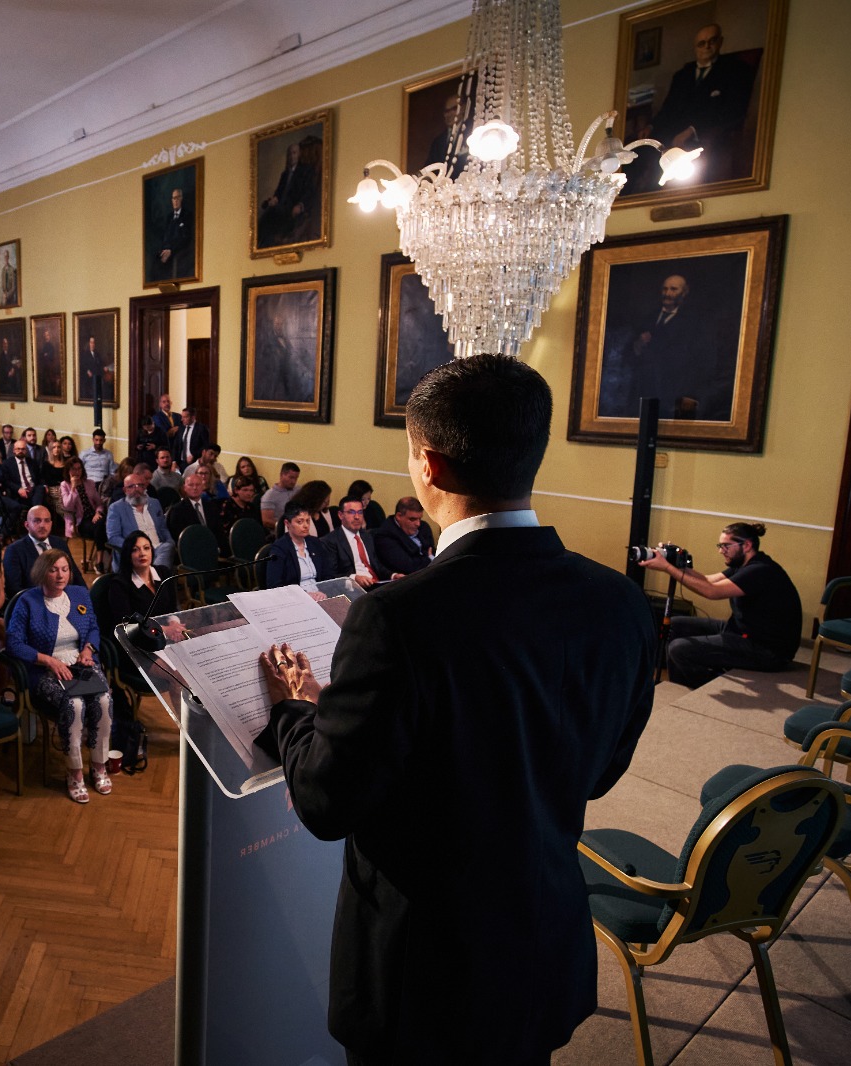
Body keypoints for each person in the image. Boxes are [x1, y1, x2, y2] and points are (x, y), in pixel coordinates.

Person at [254, 354, 654, 1064]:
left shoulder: (398, 619)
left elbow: (325, 800)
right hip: (540, 942)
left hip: (425, 971)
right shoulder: (618, 601)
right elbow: (598, 771)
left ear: (428, 465)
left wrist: (293, 707)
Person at [638, 520, 802, 689]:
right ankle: (680, 686)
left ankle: (705, 687)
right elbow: (707, 580)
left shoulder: (760, 570)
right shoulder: (744, 565)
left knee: (679, 649)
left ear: (746, 545)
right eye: (720, 545)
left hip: (767, 650)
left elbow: (712, 592)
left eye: (726, 546)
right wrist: (674, 561)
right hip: (741, 631)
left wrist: (667, 568)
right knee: (676, 624)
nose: (721, 551)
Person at [6, 550, 114, 805]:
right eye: (54, 570)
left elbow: (94, 629)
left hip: (79, 663)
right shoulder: (28, 602)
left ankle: (99, 765)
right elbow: (13, 643)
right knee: (74, 704)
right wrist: (48, 660)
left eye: (65, 569)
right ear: (42, 572)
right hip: (44, 668)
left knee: (104, 699)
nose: (60, 575)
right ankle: (74, 772)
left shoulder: (79, 594)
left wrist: (89, 649)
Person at [602, 272, 733, 422]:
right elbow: (630, 356)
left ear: (684, 292)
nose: (668, 294)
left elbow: (701, 362)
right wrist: (638, 345)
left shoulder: (695, 323)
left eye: (673, 289)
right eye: (665, 289)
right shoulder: (649, 318)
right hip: (645, 394)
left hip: (675, 395)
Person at [643, 23, 755, 188]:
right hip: (674, 130)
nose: (707, 46)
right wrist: (651, 126)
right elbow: (669, 108)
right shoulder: (682, 75)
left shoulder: (735, 70)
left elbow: (734, 110)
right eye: (702, 43)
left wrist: (692, 130)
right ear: (695, 47)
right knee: (643, 149)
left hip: (708, 132)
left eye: (712, 41)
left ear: (720, 42)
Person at [3, 504, 84, 593]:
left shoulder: (60, 543)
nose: (42, 525)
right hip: (34, 603)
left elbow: (76, 575)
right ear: (27, 525)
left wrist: (85, 597)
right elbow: (14, 589)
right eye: (37, 521)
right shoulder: (14, 550)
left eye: (47, 521)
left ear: (51, 524)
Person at [263, 502, 342, 593]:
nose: (305, 526)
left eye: (308, 521)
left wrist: (323, 591)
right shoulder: (280, 548)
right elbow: (275, 584)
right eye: (299, 522)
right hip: (296, 598)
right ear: (287, 523)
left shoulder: (315, 543)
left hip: (321, 594)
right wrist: (306, 594)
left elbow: (328, 574)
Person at [257, 140, 320, 247]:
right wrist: (275, 199)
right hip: (281, 207)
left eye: (294, 153)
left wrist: (300, 205)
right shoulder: (285, 174)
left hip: (293, 208)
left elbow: (309, 191)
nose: (291, 156)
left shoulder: (306, 171)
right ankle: (261, 246)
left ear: (299, 154)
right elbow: (279, 192)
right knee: (264, 218)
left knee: (273, 219)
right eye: (290, 153)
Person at [105, 470, 174, 569]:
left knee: (167, 547)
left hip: (158, 549)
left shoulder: (155, 503)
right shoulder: (116, 508)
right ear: (125, 490)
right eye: (131, 486)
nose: (136, 489)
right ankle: (155, 578)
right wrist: (135, 547)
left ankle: (152, 576)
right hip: (135, 552)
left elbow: (163, 529)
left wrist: (170, 542)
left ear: (144, 487)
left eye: (140, 485)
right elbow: (113, 537)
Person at [327, 495, 388, 588]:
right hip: (354, 588)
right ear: (340, 515)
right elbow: (331, 575)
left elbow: (377, 566)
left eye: (360, 512)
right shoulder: (331, 540)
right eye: (351, 512)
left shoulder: (367, 536)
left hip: (376, 585)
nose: (357, 517)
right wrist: (354, 578)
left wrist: (393, 575)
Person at [59, 458, 107, 573]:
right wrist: (73, 488)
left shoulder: (89, 483)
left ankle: (99, 560)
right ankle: (99, 561)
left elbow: (99, 503)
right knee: (102, 528)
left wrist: (98, 512)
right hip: (80, 522)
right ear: (68, 471)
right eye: (74, 469)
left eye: (79, 469)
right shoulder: (65, 485)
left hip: (94, 517)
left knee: (103, 524)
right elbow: (68, 507)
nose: (77, 472)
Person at [370, 495, 436, 577]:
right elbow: (408, 567)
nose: (418, 524)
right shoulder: (384, 535)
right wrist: (429, 558)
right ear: (399, 516)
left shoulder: (424, 527)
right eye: (412, 519)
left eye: (420, 519)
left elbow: (435, 553)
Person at [166, 468, 225, 549]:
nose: (194, 488)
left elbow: (219, 532)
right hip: (192, 550)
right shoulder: (177, 510)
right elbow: (178, 538)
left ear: (202, 487)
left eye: (198, 485)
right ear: (185, 488)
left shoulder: (212, 506)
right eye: (191, 485)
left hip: (214, 548)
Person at [155, 185, 192, 279]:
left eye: (177, 198)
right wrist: (164, 250)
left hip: (178, 250)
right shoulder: (169, 217)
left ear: (181, 199)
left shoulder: (187, 215)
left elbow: (185, 238)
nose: (175, 201)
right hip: (167, 250)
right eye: (174, 198)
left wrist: (171, 250)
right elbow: (165, 236)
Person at [259, 462, 299, 527]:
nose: (294, 481)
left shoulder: (297, 489)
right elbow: (266, 521)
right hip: (281, 531)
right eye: (291, 478)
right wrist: (286, 526)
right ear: (281, 475)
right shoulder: (269, 496)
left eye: (296, 478)